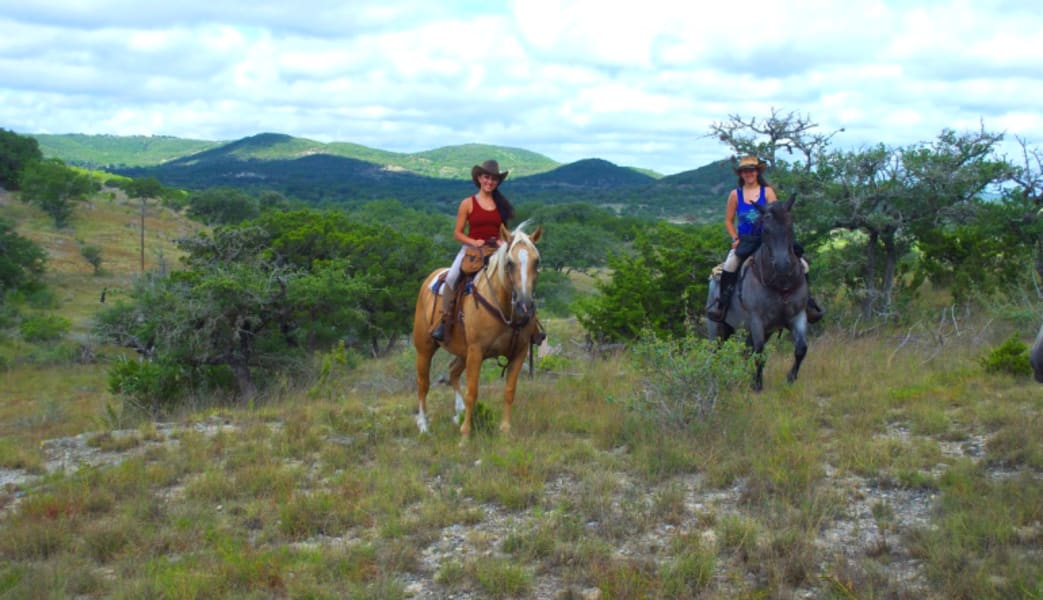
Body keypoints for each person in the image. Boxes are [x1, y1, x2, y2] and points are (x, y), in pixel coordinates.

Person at [706, 155, 823, 323]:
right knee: (730, 265)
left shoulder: (767, 191)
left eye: (751, 171)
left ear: (757, 172)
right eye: (745, 171)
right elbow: (728, 220)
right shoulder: (735, 195)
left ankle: (808, 302)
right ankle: (722, 304)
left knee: (803, 265)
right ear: (741, 174)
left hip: (768, 240)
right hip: (746, 240)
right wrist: (734, 238)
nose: (748, 174)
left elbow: (777, 215)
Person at [431, 159, 515, 341]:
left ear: (497, 182)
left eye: (494, 179)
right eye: (486, 177)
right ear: (479, 178)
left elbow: (503, 232)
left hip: (495, 250)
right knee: (452, 277)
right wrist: (473, 241)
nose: (490, 182)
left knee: (517, 275)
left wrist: (502, 242)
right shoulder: (467, 203)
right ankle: (445, 321)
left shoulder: (501, 205)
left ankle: (524, 322)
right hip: (471, 250)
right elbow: (457, 234)